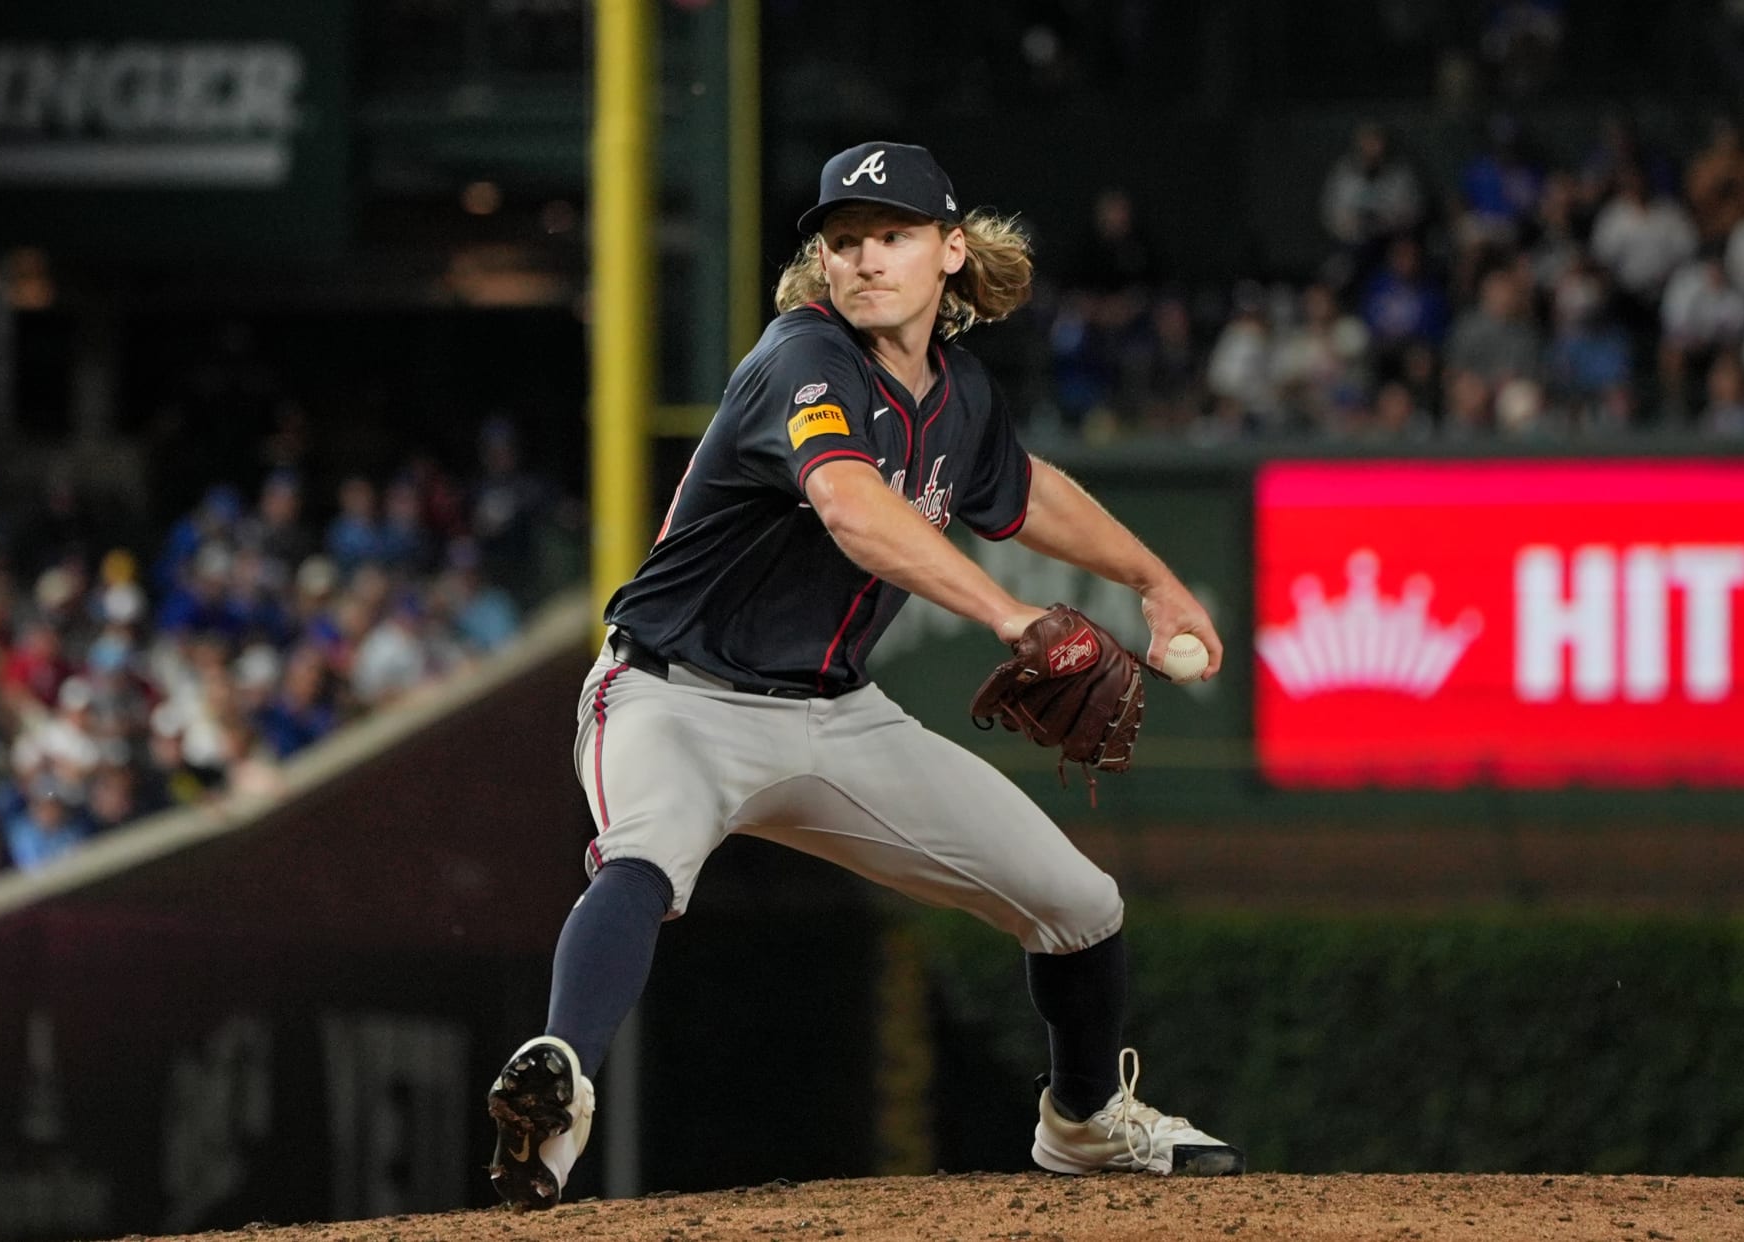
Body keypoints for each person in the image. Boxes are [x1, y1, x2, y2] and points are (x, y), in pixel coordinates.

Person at [484, 141, 1240, 1211]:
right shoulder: (802, 358)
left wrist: (1151, 576)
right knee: (644, 856)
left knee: (1080, 904)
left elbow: (1023, 493)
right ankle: (557, 1095)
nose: (866, 258)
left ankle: (1082, 1127)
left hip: (835, 719)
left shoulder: (960, 393)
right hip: (671, 697)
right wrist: (1010, 615)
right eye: (844, 241)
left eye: (891, 235)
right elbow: (849, 505)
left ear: (948, 251)